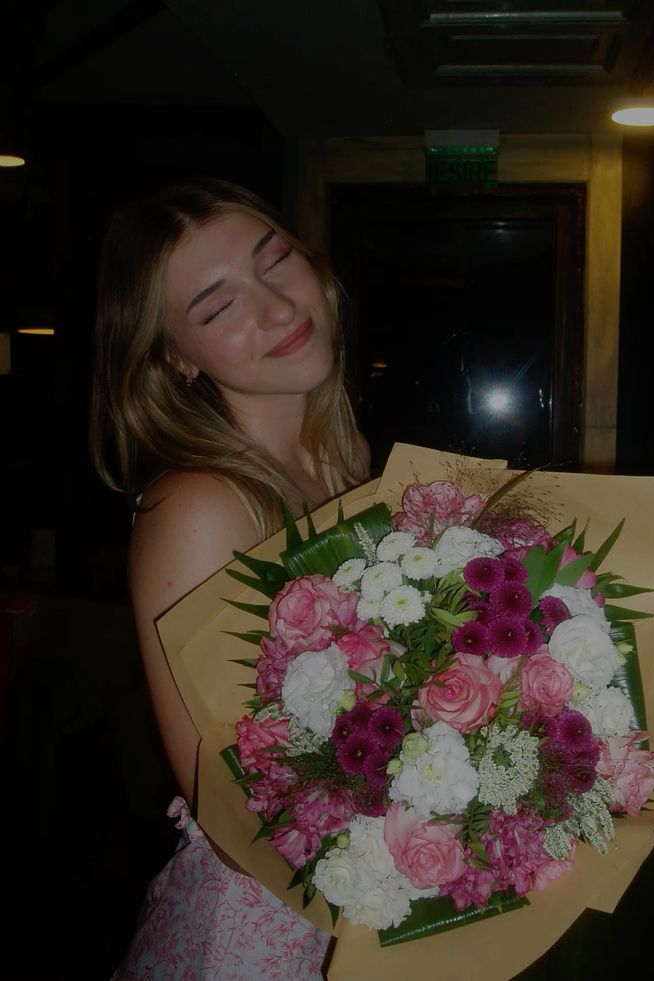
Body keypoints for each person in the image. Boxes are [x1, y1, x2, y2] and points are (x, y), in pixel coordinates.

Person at [90, 177, 370, 979]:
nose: (278, 308)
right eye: (218, 307)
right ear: (175, 357)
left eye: (275, 261)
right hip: (264, 934)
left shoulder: (343, 464)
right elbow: (230, 803)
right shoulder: (199, 506)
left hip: (365, 910)